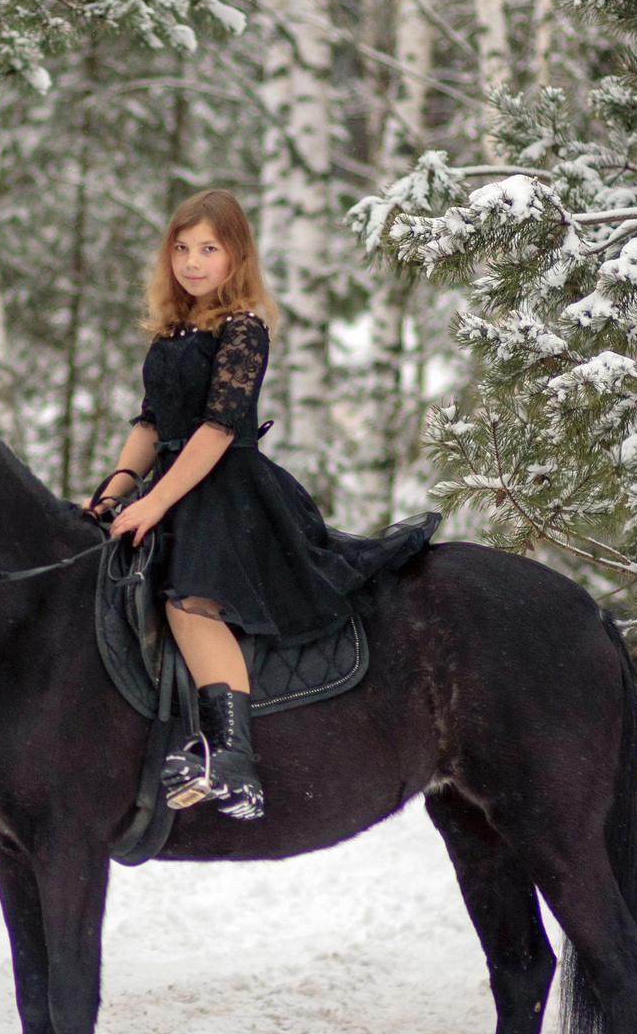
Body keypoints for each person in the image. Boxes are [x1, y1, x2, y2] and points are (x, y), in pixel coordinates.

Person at [85, 190, 436, 820]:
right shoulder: (171, 331)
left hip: (225, 488)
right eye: (182, 248)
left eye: (209, 250)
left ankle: (234, 759)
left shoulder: (243, 327)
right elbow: (148, 423)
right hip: (172, 484)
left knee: (189, 604)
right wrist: (112, 493)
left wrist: (154, 503)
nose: (192, 262)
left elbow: (218, 430)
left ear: (236, 257)